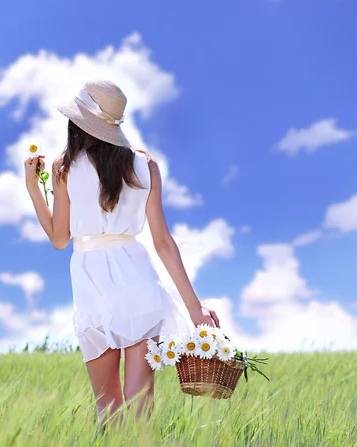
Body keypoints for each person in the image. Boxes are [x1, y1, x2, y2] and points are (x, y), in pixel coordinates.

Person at [24, 79, 220, 431]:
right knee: (140, 410)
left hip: (92, 286)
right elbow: (162, 241)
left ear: (77, 123)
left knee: (108, 411)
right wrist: (195, 307)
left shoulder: (64, 167)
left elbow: (58, 238)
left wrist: (33, 190)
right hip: (138, 281)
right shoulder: (146, 166)